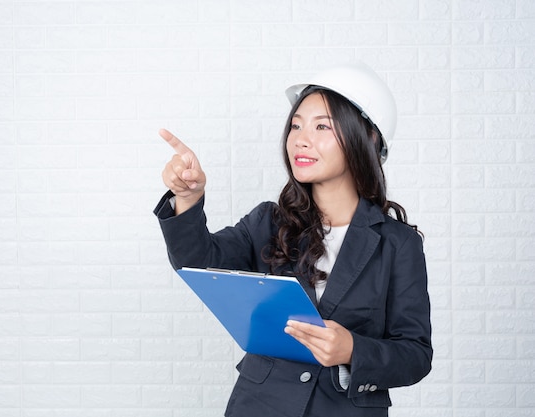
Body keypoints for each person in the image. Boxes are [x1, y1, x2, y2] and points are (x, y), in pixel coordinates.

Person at [153, 62, 432, 417]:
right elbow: (196, 264)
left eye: (321, 126)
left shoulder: (397, 244)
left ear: (369, 137)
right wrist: (188, 198)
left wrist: (352, 350)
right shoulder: (269, 222)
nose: (300, 138)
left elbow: (416, 354)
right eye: (296, 125)